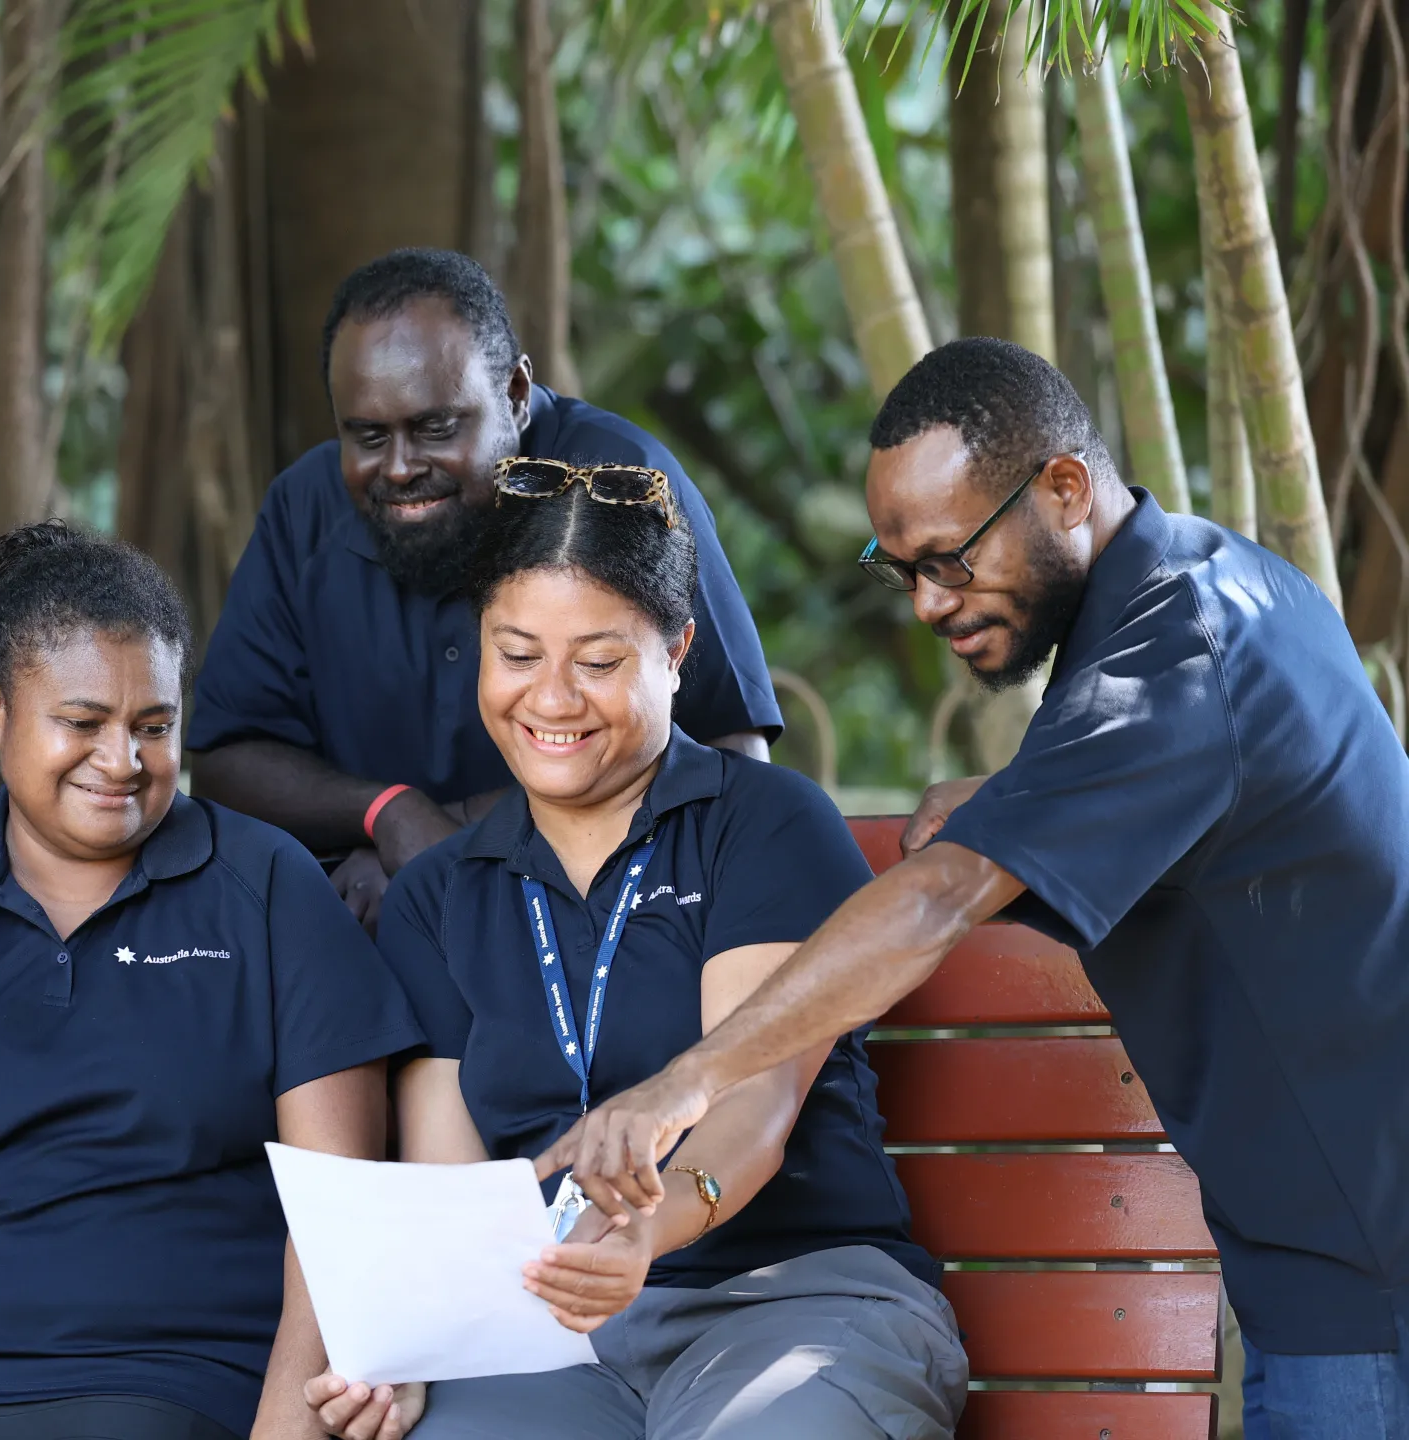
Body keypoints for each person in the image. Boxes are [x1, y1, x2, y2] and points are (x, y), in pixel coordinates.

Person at [549, 337, 1409, 1439]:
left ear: (1064, 489)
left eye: (950, 559)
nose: (926, 601)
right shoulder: (1213, 585)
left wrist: (687, 1082)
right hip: (1329, 1253)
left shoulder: (1172, 649)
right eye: (900, 568)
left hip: (1367, 1276)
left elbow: (933, 901)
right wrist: (1016, 795)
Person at [304, 465, 963, 1440]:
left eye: (599, 661)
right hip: (548, 1337)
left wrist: (642, 1236)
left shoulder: (765, 825)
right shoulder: (440, 895)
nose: (551, 698)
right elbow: (456, 1190)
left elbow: (754, 1107)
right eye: (516, 653)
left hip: (791, 1299)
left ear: (677, 651)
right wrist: (418, 1356)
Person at [0, 521, 422, 1440]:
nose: (123, 762)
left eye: (154, 726)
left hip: (178, 1390)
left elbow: (337, 1199)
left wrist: (284, 1432)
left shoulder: (269, 885)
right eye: (81, 723)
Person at [188, 248, 782, 928]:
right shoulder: (304, 509)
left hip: (607, 925)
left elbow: (734, 758)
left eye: (436, 428)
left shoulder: (625, 483)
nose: (400, 467)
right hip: (376, 936)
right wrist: (387, 813)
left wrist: (454, 842)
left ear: (516, 395)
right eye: (369, 436)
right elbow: (227, 766)